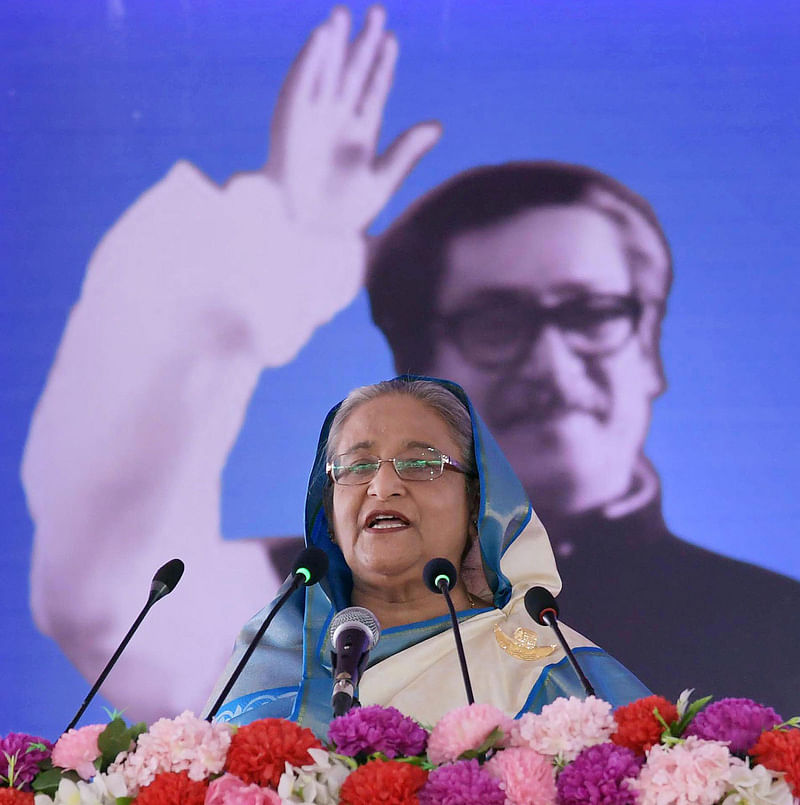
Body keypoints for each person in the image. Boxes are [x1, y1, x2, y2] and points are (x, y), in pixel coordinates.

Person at [367, 164, 800, 715]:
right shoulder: (318, 618)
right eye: (496, 324)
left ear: (648, 350)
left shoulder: (782, 624)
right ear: (418, 371)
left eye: (591, 315)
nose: (552, 365)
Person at [205, 377, 649, 735]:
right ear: (330, 512)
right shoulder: (271, 657)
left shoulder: (551, 672)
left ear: (478, 504)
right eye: (357, 467)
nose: (382, 487)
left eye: (420, 464)